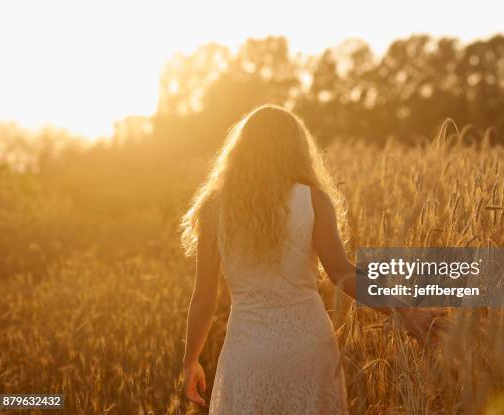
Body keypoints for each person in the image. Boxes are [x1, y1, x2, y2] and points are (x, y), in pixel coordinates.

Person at [179, 105, 445, 414]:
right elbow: (342, 272)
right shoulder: (314, 199)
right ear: (297, 149)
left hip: (247, 352)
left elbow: (203, 298)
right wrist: (405, 310)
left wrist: (190, 361)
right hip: (308, 348)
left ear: (240, 150)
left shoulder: (214, 208)